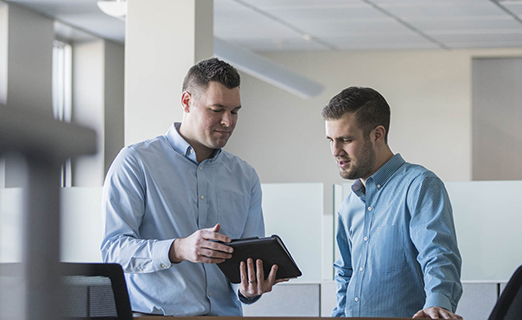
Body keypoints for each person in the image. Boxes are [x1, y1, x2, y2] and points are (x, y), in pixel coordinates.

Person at [101, 58, 281, 316]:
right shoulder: (136, 162)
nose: (228, 122)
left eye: (234, 111)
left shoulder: (245, 176)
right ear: (186, 102)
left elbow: (244, 267)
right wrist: (178, 249)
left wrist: (249, 289)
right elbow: (113, 251)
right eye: (217, 109)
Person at [324, 87, 463, 319]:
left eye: (346, 140)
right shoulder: (350, 205)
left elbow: (438, 254)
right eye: (331, 140)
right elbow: (345, 273)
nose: (336, 151)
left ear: (377, 134)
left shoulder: (419, 185)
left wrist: (438, 303)